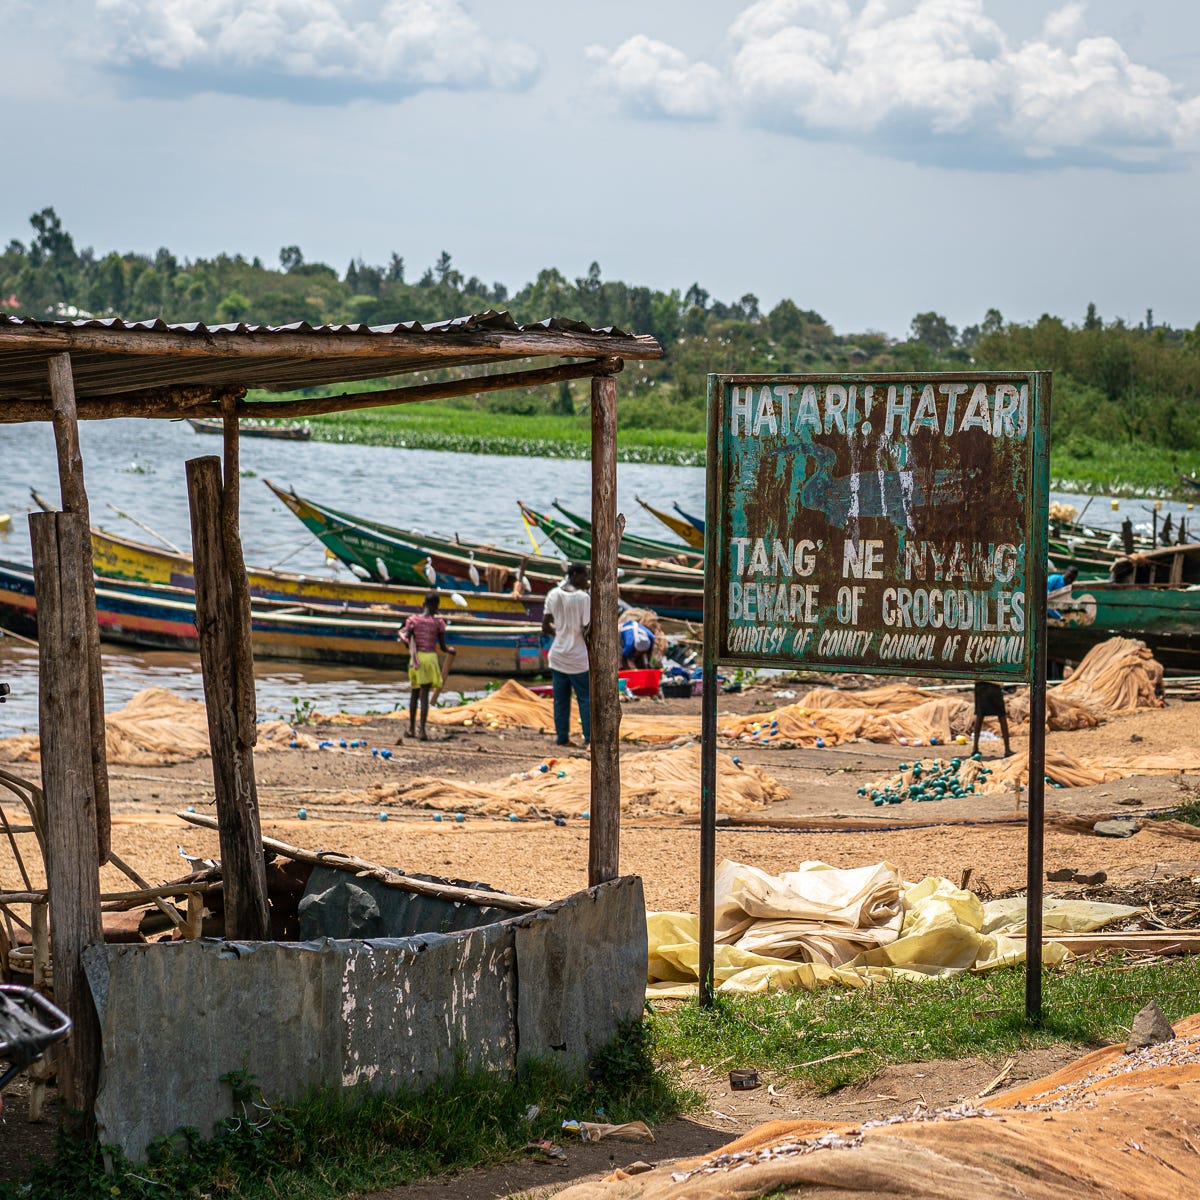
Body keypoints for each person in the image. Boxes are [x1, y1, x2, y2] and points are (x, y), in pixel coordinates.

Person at [542, 562, 591, 747]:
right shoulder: (583, 598)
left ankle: (562, 738)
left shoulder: (552, 594)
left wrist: (561, 634)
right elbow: (587, 630)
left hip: (557, 656)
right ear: (576, 575)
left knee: (560, 701)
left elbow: (545, 626)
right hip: (578, 659)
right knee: (585, 699)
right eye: (585, 576)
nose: (587, 580)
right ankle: (589, 739)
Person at [401, 591, 454, 740]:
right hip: (429, 659)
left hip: (415, 659)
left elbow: (409, 642)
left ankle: (411, 729)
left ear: (423, 604)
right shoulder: (438, 623)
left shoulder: (412, 621)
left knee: (414, 694)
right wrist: (451, 650)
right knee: (424, 697)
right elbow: (443, 648)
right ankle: (422, 731)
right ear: (436, 607)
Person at [972, 681, 1012, 757]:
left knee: (979, 716)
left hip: (980, 684)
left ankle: (975, 748)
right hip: (994, 685)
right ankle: (1007, 749)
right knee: (1002, 716)